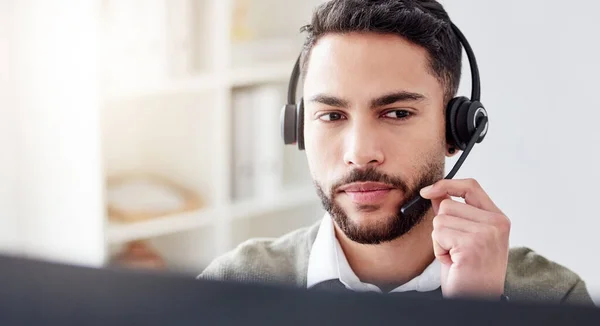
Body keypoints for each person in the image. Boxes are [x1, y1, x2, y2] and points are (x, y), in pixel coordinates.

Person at [199, 0, 594, 305]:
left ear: (458, 128)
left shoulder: (552, 298)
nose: (360, 153)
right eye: (332, 115)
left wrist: (480, 314)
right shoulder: (232, 284)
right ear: (298, 131)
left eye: (397, 113)